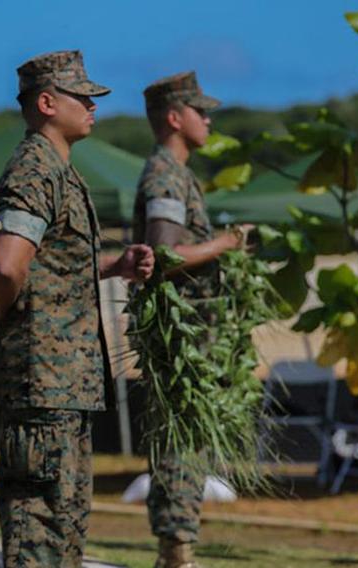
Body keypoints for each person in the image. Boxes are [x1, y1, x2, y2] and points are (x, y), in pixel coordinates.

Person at [0, 50, 155, 567]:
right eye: (82, 97)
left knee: (65, 520)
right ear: (46, 102)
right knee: (37, 524)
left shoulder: (59, 170)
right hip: (41, 378)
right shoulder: (34, 169)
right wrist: (11, 321)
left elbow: (50, 261)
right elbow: (9, 266)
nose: (92, 106)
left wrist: (113, 265)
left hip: (65, 381)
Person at [132, 71, 251, 568]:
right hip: (178, 335)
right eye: (201, 111)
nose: (209, 119)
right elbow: (164, 254)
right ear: (175, 118)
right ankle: (176, 548)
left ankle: (177, 546)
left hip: (195, 331)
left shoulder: (178, 173)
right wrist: (224, 244)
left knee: (189, 437)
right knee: (181, 437)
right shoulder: (164, 173)